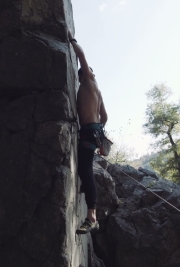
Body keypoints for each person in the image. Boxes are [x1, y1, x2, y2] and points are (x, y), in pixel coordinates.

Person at [68, 31, 108, 235]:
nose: (79, 74)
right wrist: (100, 138)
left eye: (81, 72)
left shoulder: (89, 80)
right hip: (93, 131)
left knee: (86, 171)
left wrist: (72, 40)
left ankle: (92, 216)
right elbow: (105, 117)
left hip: (88, 132)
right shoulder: (96, 92)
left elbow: (81, 57)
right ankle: (92, 213)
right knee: (85, 169)